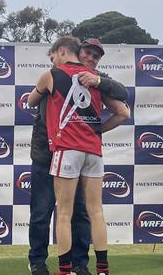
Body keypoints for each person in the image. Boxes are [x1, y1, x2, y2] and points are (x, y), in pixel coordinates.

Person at [28, 36, 130, 275]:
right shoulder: (58, 73)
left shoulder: (96, 79)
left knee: (76, 214)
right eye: (88, 53)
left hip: (69, 151)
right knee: (45, 212)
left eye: (97, 56)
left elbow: (123, 97)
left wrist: (97, 81)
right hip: (47, 153)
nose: (91, 58)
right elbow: (123, 112)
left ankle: (75, 266)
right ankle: (39, 262)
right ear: (77, 51)